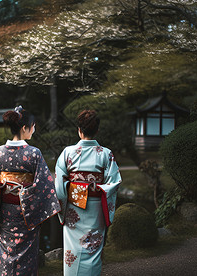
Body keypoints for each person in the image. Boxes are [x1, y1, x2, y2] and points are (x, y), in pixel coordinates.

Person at [0, 106, 61, 276]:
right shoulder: (34, 153)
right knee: (27, 254)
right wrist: (26, 194)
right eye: (33, 126)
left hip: (6, 212)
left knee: (7, 253)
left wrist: (2, 188)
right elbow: (45, 185)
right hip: (28, 212)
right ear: (25, 128)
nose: (34, 130)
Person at [55, 109, 122, 275]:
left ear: (79, 130)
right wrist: (95, 189)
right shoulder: (106, 154)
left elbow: (58, 185)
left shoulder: (67, 153)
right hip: (96, 207)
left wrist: (74, 191)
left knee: (73, 251)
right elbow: (114, 182)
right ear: (97, 130)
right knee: (93, 249)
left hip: (73, 208)